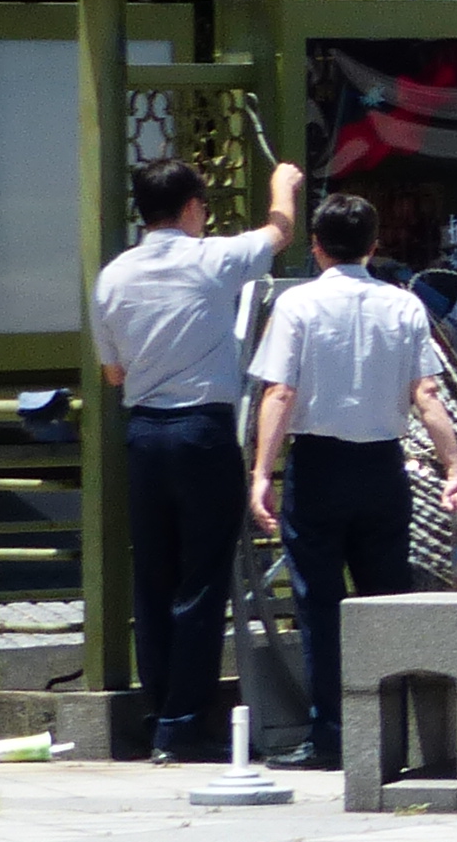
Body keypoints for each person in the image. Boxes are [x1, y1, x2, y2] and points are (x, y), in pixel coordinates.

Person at [246, 191, 457, 771]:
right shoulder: (403, 307)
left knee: (319, 606)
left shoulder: (297, 305)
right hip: (382, 466)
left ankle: (331, 736)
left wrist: (261, 473)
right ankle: (389, 735)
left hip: (318, 465)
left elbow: (280, 392)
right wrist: (454, 465)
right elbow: (426, 395)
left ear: (316, 247)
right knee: (386, 602)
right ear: (374, 247)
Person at [90, 153, 306, 763]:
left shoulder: (112, 277)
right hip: (202, 432)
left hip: (144, 434)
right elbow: (279, 234)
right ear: (190, 208)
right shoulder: (211, 259)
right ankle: (184, 724)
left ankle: (160, 711)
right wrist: (281, 185)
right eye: (203, 206)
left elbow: (113, 373)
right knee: (201, 583)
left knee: (153, 579)